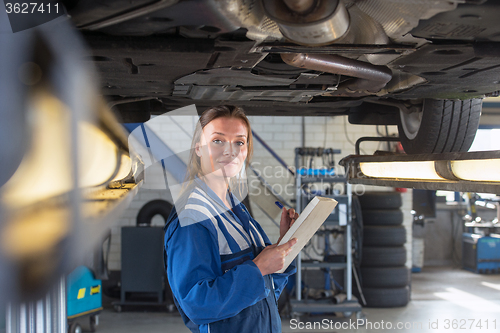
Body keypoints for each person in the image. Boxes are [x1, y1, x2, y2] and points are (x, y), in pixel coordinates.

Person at [163, 105, 298, 333]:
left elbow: (266, 289)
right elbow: (197, 304)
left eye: (239, 142)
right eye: (218, 141)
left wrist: (284, 246)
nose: (230, 151)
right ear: (198, 147)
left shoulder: (236, 207)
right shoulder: (193, 217)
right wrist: (258, 269)